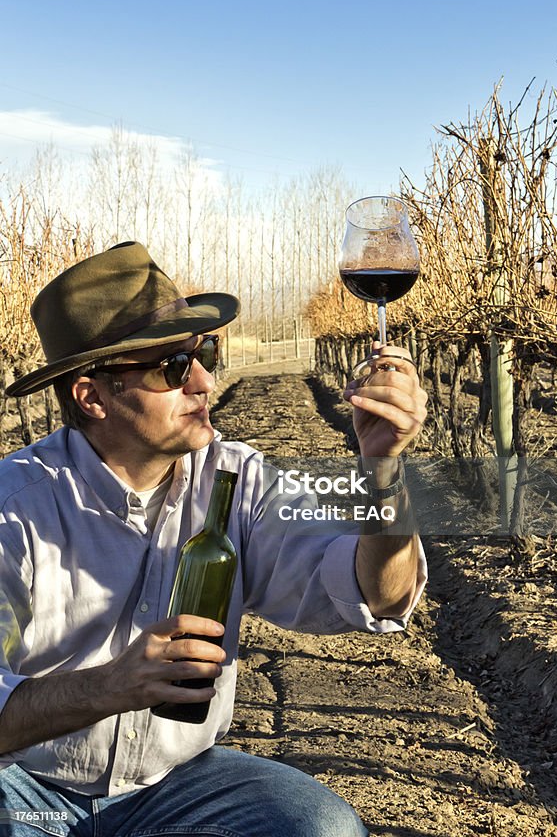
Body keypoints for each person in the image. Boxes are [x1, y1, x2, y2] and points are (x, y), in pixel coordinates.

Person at [0, 241, 428, 837]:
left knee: (322, 828)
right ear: (92, 396)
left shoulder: (239, 481)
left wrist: (384, 470)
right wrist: (108, 686)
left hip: (174, 787)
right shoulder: (14, 509)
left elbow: (375, 593)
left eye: (203, 352)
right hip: (25, 784)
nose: (203, 381)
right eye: (171, 368)